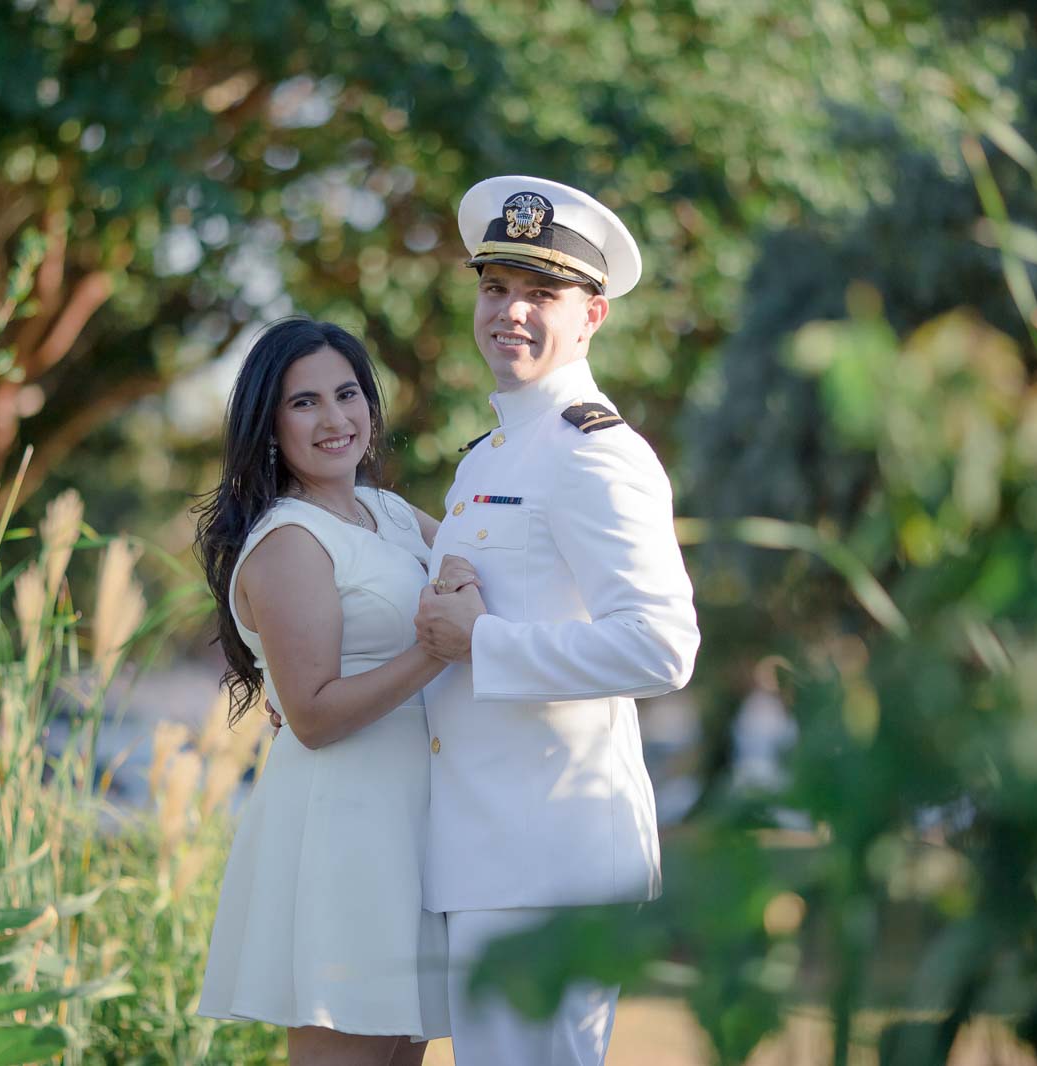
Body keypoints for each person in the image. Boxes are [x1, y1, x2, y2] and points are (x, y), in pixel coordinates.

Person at [411, 176, 701, 1065]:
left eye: (542, 294)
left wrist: (482, 643)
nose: (512, 313)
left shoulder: (596, 453)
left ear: (592, 317)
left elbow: (663, 644)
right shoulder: (490, 456)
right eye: (496, 288)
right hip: (490, 849)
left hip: (549, 853)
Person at [193, 317, 469, 1065]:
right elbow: (311, 714)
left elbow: (476, 566)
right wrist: (435, 649)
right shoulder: (290, 541)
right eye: (305, 403)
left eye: (347, 394)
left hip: (409, 824)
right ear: (268, 424)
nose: (335, 418)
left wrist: (465, 584)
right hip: (342, 830)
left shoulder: (384, 511)